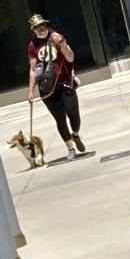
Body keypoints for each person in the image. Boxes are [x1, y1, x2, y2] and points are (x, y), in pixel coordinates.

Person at [27, 14, 89, 157]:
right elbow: (32, 70)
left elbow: (71, 57)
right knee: (60, 118)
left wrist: (61, 43)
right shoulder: (32, 46)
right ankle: (71, 149)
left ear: (46, 25)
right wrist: (30, 92)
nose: (40, 29)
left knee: (73, 113)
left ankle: (75, 134)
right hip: (47, 88)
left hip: (65, 82)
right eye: (36, 27)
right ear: (33, 30)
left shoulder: (56, 37)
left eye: (42, 25)